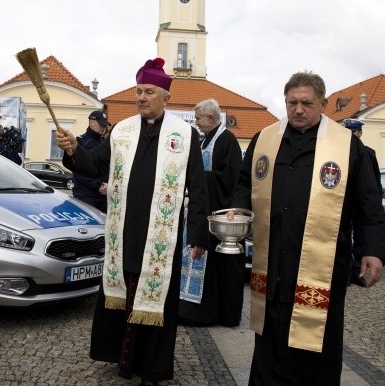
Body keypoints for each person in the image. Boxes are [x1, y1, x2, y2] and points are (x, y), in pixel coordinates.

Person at [56, 57, 209, 386]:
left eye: (149, 92)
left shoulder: (184, 136)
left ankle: (151, 367)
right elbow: (94, 164)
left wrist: (199, 234)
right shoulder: (121, 131)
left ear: (165, 97)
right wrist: (73, 150)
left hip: (160, 238)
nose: (141, 97)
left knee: (155, 297)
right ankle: (122, 360)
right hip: (124, 234)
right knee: (123, 295)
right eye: (139, 91)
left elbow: (198, 187)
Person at [230, 71, 385, 385]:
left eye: (306, 103)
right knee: (270, 340)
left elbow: (369, 204)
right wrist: (240, 206)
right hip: (272, 260)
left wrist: (372, 251)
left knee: (316, 346)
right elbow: (245, 182)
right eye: (292, 102)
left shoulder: (347, 146)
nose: (299, 109)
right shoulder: (265, 139)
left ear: (323, 104)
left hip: (323, 266)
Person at [178, 98, 244, 327]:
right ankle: (190, 309)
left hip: (217, 212)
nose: (196, 122)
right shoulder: (206, 140)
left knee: (212, 265)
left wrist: (196, 177)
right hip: (202, 210)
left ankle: (206, 313)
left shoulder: (227, 141)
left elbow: (230, 179)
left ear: (210, 118)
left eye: (198, 118)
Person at [342, 118, 383, 287]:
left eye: (354, 132)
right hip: (343, 204)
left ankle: (357, 270)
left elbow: (373, 182)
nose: (351, 135)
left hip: (359, 204)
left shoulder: (368, 153)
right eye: (348, 132)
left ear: (360, 133)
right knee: (344, 239)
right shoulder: (338, 150)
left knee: (360, 237)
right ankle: (346, 269)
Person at [72, 110, 110, 212]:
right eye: (101, 125)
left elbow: (107, 167)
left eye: (105, 125)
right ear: (91, 123)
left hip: (103, 195)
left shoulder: (104, 142)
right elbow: (79, 170)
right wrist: (99, 185)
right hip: (86, 195)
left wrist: (108, 184)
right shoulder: (80, 142)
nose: (103, 127)